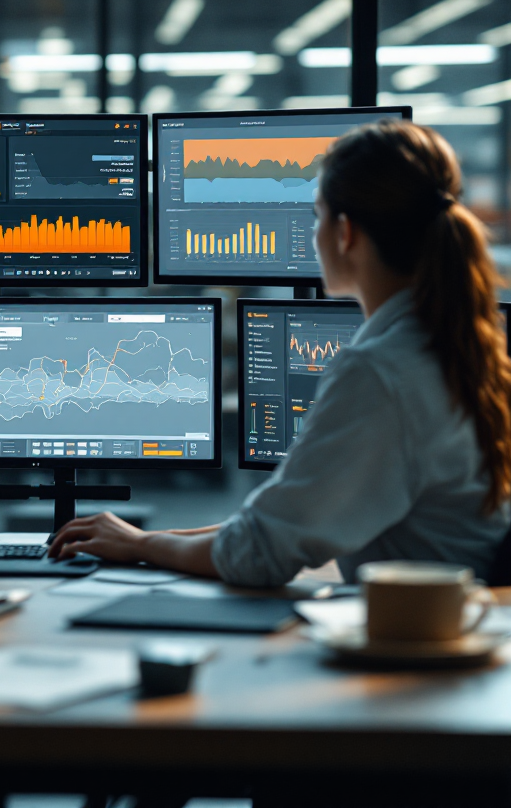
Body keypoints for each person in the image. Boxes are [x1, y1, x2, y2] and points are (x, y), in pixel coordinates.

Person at [49, 120, 511, 586]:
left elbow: (258, 552)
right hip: (450, 621)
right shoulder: (453, 342)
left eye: (317, 215)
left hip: (411, 636)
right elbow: (279, 523)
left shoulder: (379, 373)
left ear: (345, 232)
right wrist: (148, 539)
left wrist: (141, 545)